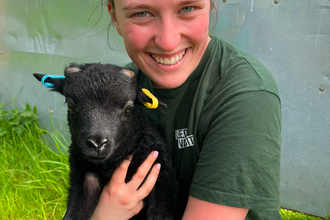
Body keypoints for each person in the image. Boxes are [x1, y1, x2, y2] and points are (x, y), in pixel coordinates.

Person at [91, 0, 282, 219]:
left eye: (187, 9)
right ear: (114, 17)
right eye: (142, 13)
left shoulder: (246, 94)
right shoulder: (120, 91)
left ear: (210, 5)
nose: (168, 42)